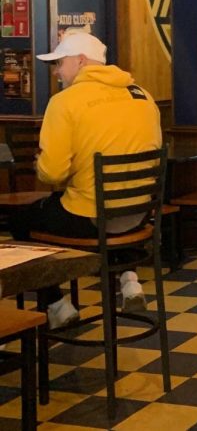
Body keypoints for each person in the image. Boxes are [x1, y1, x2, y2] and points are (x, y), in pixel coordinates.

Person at [10, 32, 162, 329]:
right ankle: (128, 276)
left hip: (89, 218)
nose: (56, 72)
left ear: (80, 61)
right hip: (140, 215)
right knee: (110, 206)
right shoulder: (143, 95)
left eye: (60, 63)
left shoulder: (65, 102)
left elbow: (52, 173)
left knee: (21, 222)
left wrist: (41, 166)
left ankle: (57, 304)